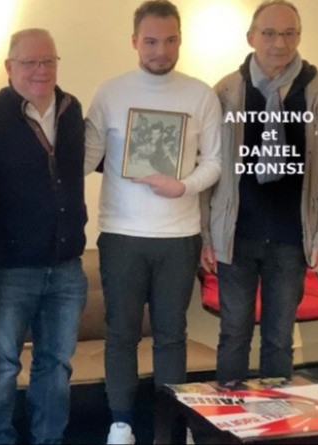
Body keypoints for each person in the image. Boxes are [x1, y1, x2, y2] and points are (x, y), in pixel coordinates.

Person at [83, 1, 222, 442]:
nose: (161, 50)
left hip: (179, 236)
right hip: (121, 234)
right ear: (134, 42)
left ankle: (170, 428)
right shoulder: (110, 92)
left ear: (180, 40)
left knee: (171, 336)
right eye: (150, 41)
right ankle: (120, 424)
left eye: (170, 40)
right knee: (121, 335)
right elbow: (84, 157)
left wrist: (184, 186)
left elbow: (215, 161)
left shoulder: (201, 95)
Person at [201, 0, 318, 387]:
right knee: (233, 337)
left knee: (279, 341)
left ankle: (275, 418)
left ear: (299, 36)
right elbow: (207, 165)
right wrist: (205, 234)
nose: (279, 43)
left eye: (289, 33)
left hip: (291, 240)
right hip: (236, 237)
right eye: (269, 33)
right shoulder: (225, 92)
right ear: (251, 37)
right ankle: (230, 417)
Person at [0, 28, 88, 444]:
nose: (41, 70)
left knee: (57, 365)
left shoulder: (72, 109)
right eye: (30, 62)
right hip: (8, 270)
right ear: (9, 66)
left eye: (48, 61)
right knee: (2, 365)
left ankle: (48, 439)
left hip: (67, 267)